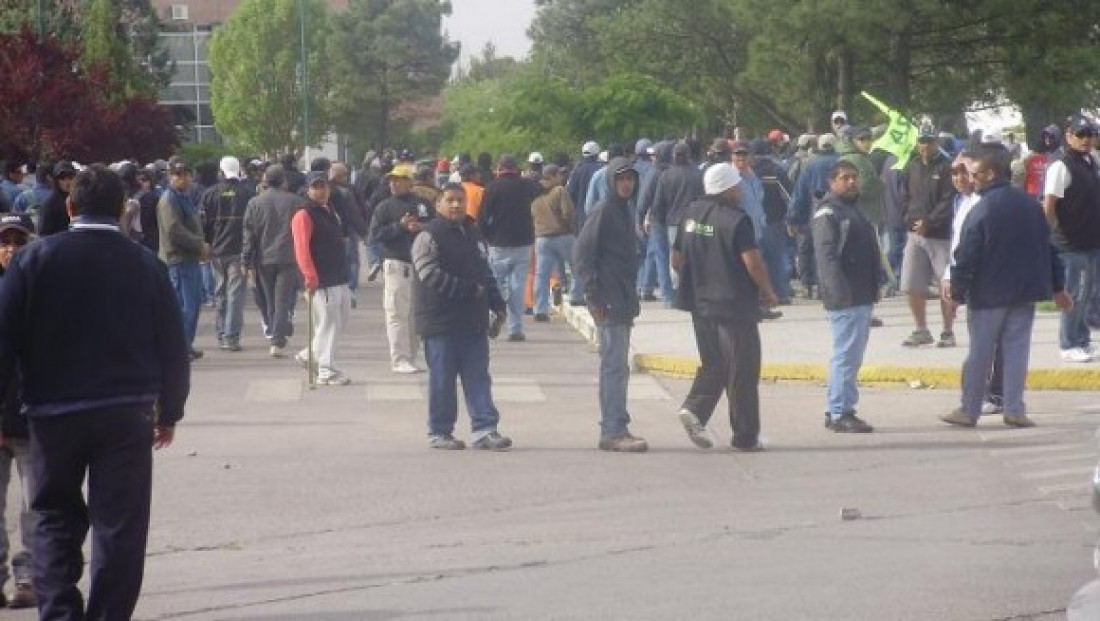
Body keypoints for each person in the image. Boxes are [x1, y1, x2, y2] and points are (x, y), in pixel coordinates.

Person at [0, 165, 189, 620]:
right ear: (124, 209)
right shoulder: (146, 264)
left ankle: (60, 611)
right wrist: (171, 411)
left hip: (51, 412)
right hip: (126, 413)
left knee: (52, 517)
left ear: (69, 206)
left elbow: (4, 339)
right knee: (119, 525)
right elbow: (172, 344)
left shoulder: (33, 260)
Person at [941, 148, 1072, 428]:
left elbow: (967, 253)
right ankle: (1014, 409)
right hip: (1024, 293)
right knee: (1016, 351)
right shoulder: (1029, 205)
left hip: (989, 294)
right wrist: (1058, 287)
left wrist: (956, 293)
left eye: (975, 175)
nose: (971, 180)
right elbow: (1048, 248)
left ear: (990, 174)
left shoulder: (983, 208)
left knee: (980, 353)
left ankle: (969, 409)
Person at [673, 163, 778, 452]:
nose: (740, 190)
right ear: (727, 188)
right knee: (742, 371)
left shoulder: (690, 214)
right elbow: (752, 262)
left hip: (699, 304)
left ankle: (695, 409)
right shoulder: (736, 219)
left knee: (714, 363)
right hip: (734, 307)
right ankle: (745, 436)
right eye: (737, 185)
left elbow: (676, 259)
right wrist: (768, 291)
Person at [412, 183, 512, 450]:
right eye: (450, 200)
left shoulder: (474, 233)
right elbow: (428, 274)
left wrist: (497, 303)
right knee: (442, 379)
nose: (456, 205)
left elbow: (485, 272)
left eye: (460, 200)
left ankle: (485, 429)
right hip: (440, 322)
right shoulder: (428, 236)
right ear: (439, 204)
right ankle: (440, 432)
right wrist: (466, 290)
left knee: (478, 375)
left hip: (473, 321)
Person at [574, 157, 648, 452]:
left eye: (630, 178)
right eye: (621, 179)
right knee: (614, 367)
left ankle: (617, 425)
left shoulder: (623, 210)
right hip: (609, 299)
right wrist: (594, 296)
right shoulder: (604, 210)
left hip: (623, 298)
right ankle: (613, 430)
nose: (627, 184)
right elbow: (582, 255)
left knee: (618, 366)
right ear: (610, 182)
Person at [813, 160, 882, 433]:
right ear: (832, 182)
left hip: (861, 294)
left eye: (854, 177)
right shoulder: (828, 213)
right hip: (846, 297)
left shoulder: (853, 211)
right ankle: (840, 411)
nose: (852, 182)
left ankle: (841, 408)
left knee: (852, 356)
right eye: (845, 178)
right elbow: (826, 257)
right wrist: (839, 292)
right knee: (846, 355)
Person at [941, 152, 1004, 412]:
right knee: (981, 343)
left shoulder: (986, 203)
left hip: (987, 282)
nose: (959, 178)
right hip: (967, 278)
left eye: (965, 172)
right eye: (954, 173)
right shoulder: (962, 202)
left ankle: (992, 395)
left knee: (991, 343)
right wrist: (949, 275)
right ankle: (977, 396)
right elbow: (958, 245)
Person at [1041, 115, 1100, 362]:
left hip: (1092, 240)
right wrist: (1051, 235)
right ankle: (1068, 343)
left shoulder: (1090, 162)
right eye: (1080, 134)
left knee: (1089, 293)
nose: (1086, 139)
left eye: (1090, 134)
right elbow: (1050, 204)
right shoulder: (1061, 165)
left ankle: (1083, 339)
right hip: (1070, 243)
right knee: (1073, 293)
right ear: (1068, 137)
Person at [0, 214, 36, 609]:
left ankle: (29, 578)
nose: (11, 249)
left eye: (19, 242)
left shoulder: (41, 293)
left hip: (29, 418)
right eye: (5, 242)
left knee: (33, 507)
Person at [370, 163, 435, 373]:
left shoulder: (423, 204)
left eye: (398, 179)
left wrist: (421, 227)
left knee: (415, 314)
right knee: (397, 313)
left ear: (410, 181)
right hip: (396, 264)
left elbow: (437, 226)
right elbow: (375, 235)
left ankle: (412, 357)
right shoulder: (384, 207)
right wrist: (399, 226)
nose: (394, 183)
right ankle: (399, 358)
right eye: (391, 180)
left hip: (419, 265)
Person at [291, 172, 353, 385]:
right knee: (328, 324)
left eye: (323, 186)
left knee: (341, 320)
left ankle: (310, 355)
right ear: (308, 190)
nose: (321, 191)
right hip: (322, 279)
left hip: (338, 276)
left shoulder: (329, 210)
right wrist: (309, 276)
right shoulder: (304, 214)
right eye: (315, 187)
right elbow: (301, 249)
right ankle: (326, 370)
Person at [899, 124, 955, 347]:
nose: (925, 146)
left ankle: (948, 331)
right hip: (914, 234)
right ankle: (921, 329)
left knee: (946, 285)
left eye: (929, 141)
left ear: (936, 142)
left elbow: (948, 199)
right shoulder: (911, 165)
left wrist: (930, 222)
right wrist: (909, 219)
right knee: (912, 284)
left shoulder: (946, 167)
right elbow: (904, 196)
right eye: (922, 141)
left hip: (939, 235)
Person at [242, 165, 303, 357]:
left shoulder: (255, 203)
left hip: (264, 257)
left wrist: (245, 259)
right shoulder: (296, 202)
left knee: (269, 300)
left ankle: (275, 331)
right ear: (284, 181)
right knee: (283, 298)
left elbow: (248, 233)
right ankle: (278, 336)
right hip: (288, 256)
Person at [477, 154, 538, 342]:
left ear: (499, 168)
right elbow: (543, 189)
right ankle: (515, 329)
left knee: (495, 285)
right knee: (517, 287)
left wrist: (486, 236)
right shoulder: (526, 185)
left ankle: (493, 317)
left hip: (499, 243)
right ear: (515, 168)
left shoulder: (492, 187)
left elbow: (482, 216)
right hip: (523, 243)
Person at [158, 160, 210, 360]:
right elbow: (174, 231)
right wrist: (199, 244)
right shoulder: (168, 200)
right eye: (178, 174)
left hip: (189, 258)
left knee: (194, 305)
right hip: (178, 259)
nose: (183, 178)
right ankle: (179, 348)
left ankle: (186, 344)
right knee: (185, 308)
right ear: (170, 176)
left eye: (186, 174)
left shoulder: (184, 197)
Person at [202, 156, 254, 352]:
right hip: (239, 249)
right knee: (235, 295)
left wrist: (206, 245)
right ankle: (231, 337)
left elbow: (204, 223)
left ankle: (222, 333)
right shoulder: (247, 194)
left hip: (216, 250)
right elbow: (251, 226)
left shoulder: (209, 194)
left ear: (220, 171)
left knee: (220, 292)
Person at [37, 161, 76, 236]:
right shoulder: (50, 204)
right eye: (62, 178)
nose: (67, 182)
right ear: (56, 181)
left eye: (70, 177)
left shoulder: (81, 200)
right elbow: (43, 233)